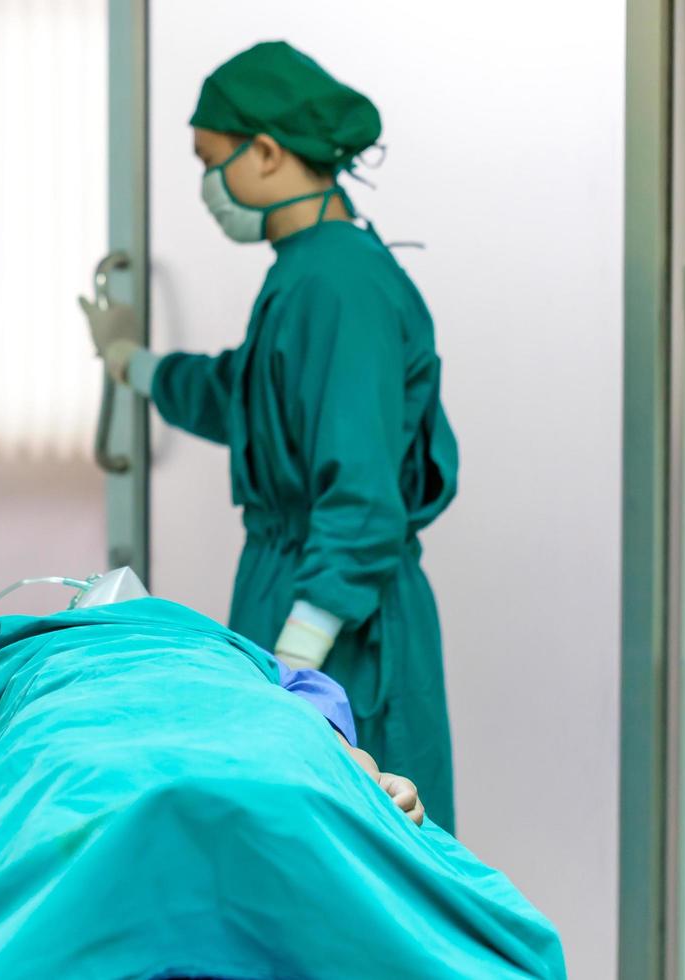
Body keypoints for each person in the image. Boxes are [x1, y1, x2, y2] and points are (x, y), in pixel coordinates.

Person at [80, 41, 460, 830]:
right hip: (295, 583)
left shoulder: (338, 281)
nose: (207, 187)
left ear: (264, 151)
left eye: (210, 161)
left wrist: (297, 660)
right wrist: (130, 362)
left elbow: (360, 500)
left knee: (351, 864)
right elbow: (247, 397)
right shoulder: (306, 269)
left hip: (340, 614)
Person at [0, 599, 564, 979]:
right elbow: (332, 752)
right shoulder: (265, 668)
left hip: (80, 773)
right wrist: (369, 788)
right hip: (264, 761)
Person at [0, 659, 425, 832]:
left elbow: (314, 732)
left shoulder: (242, 660)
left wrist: (366, 778)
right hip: (70, 737)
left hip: (72, 762)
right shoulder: (16, 654)